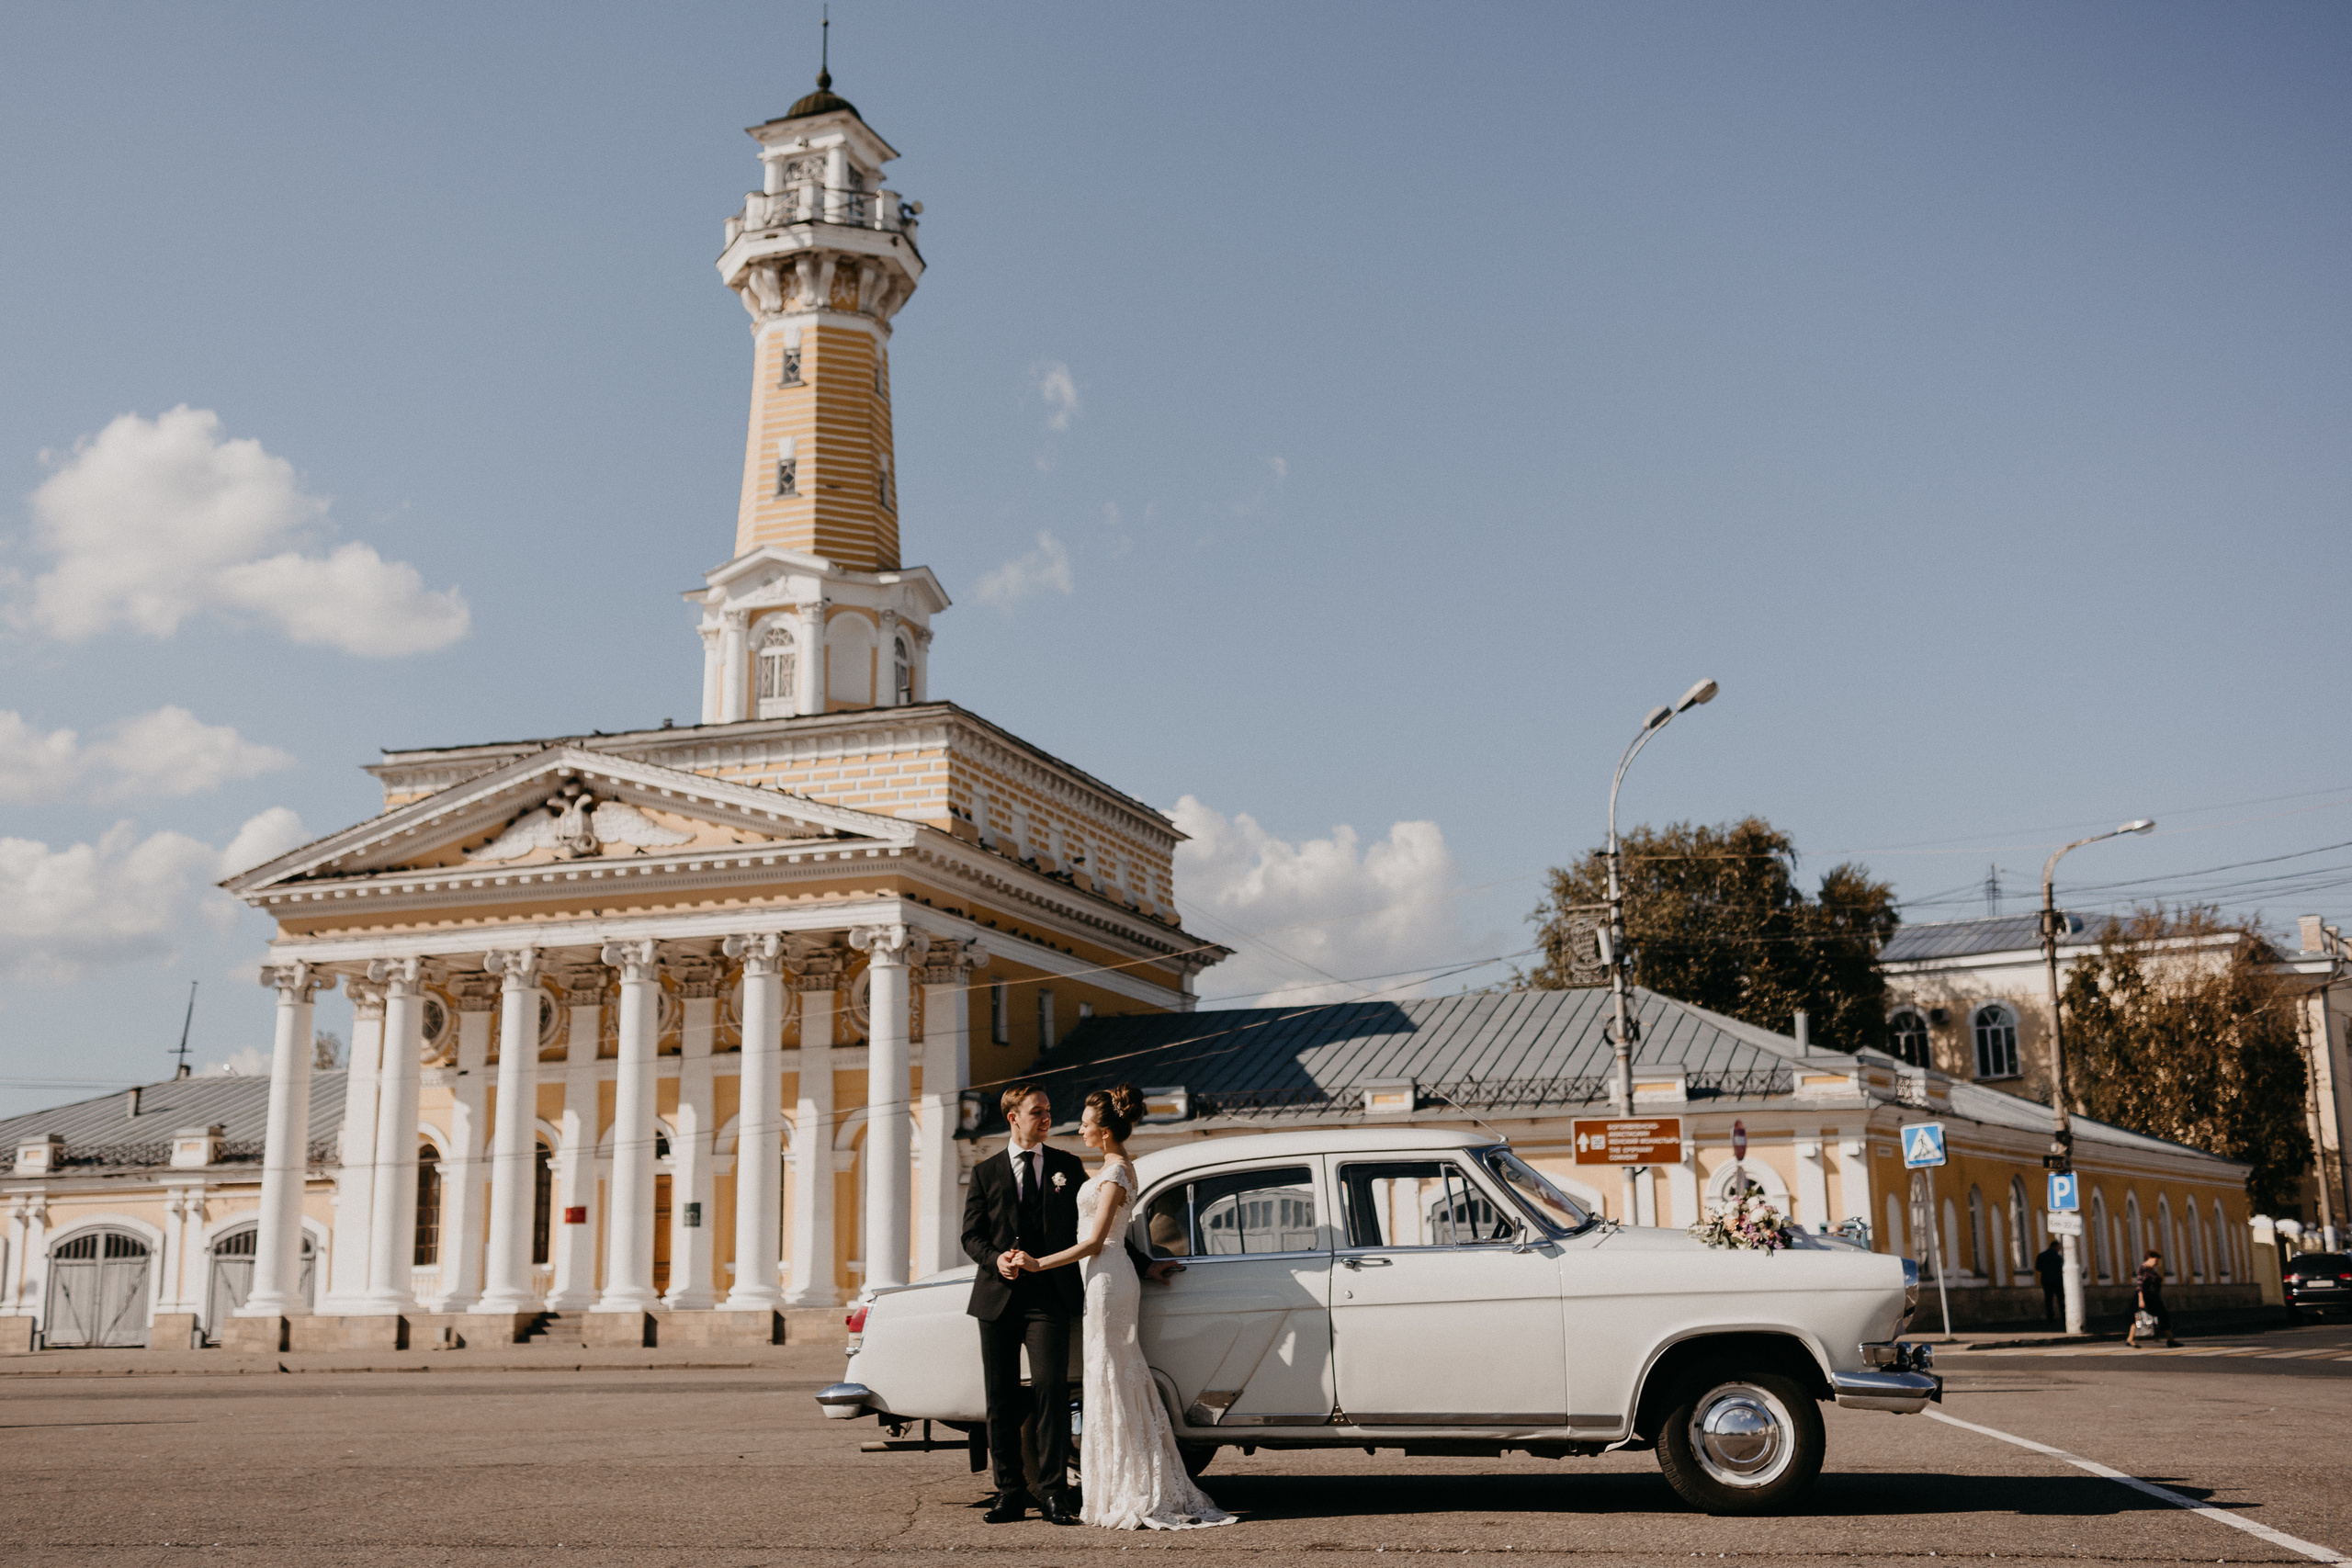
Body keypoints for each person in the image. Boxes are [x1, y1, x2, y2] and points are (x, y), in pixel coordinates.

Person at [1017, 1084, 1234, 1531]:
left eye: (1085, 1123)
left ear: (1105, 1131)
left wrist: (1038, 1264)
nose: (1079, 1128)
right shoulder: (1113, 1168)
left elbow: (1096, 1241)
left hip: (1107, 1278)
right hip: (1107, 1274)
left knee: (1112, 1372)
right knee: (1110, 1372)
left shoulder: (1115, 1174)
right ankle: (1121, 1481)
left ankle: (1133, 1486)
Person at [962, 1083, 1173, 1526]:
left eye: (1048, 1110)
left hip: (1050, 1299)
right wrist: (994, 1257)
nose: (1046, 1118)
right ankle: (1009, 1493)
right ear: (1012, 1118)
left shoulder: (1067, 1164)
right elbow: (971, 1235)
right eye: (1037, 1111)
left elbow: (1099, 1227)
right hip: (996, 1299)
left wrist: (1144, 1263)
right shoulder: (985, 1172)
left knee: (1051, 1393)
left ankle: (1054, 1493)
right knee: (1000, 1400)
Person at [2127, 1249, 2179, 1348]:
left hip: (2152, 1297)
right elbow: (2140, 1286)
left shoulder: (2151, 1270)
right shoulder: (2142, 1269)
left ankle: (2170, 1339)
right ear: (2149, 1259)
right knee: (2137, 1317)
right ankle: (2130, 1339)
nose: (2156, 1263)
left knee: (2162, 1315)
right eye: (2155, 1260)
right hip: (2143, 1296)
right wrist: (2141, 1300)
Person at [2034, 1239, 2064, 1325]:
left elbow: (2038, 1267)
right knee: (2061, 1299)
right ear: (2054, 1247)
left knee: (2048, 1300)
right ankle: (2064, 1316)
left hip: (2046, 1280)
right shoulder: (2057, 1257)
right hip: (2057, 1280)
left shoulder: (2042, 1255)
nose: (2059, 1249)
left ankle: (2050, 1317)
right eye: (2058, 1247)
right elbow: (2060, 1268)